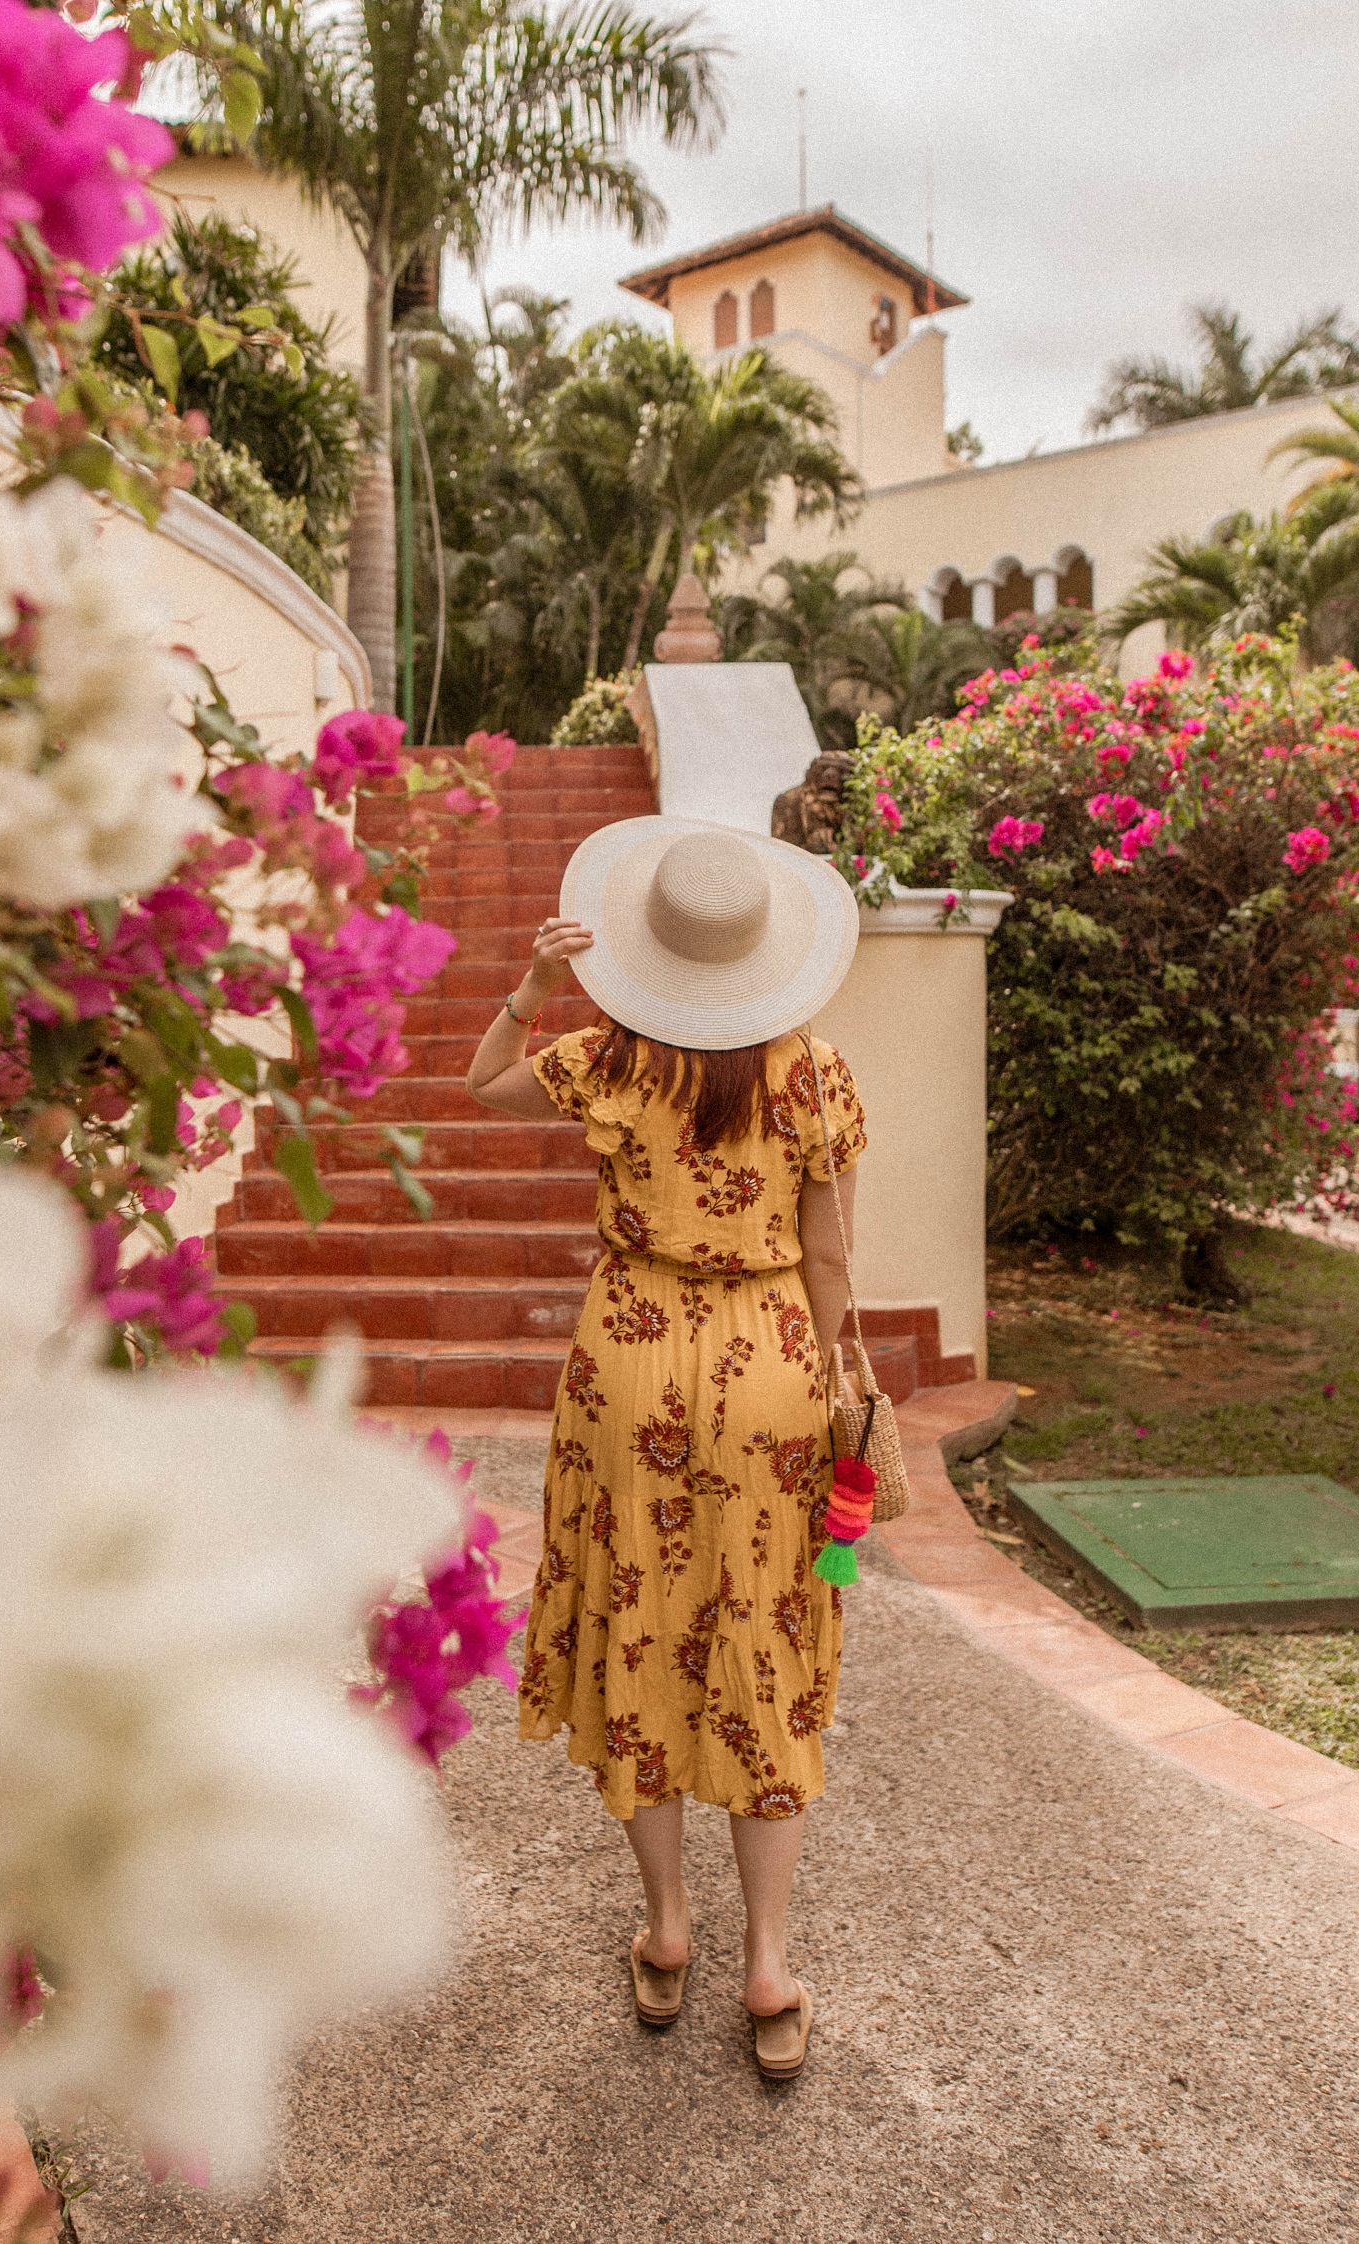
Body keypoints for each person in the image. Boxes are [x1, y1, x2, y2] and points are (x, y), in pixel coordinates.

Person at [466, 816, 865, 2084]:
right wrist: (842, 1373)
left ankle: (666, 1928)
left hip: (627, 1358)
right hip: (770, 1365)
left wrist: (530, 986)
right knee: (762, 1631)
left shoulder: (607, 1058)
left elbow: (481, 1082)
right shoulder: (814, 1074)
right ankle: (765, 1962)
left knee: (635, 1616)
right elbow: (831, 1259)